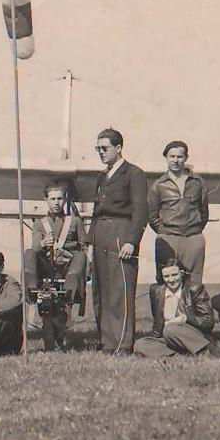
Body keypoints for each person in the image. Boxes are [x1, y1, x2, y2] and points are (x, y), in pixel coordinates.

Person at [90, 128, 148, 354]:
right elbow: (96, 211)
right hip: (100, 233)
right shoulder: (102, 177)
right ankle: (107, 342)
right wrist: (90, 243)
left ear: (119, 148)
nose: (101, 152)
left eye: (104, 148)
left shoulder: (134, 173)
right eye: (98, 148)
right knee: (101, 290)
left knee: (120, 291)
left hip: (121, 233)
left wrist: (131, 241)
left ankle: (123, 343)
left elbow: (140, 211)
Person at [24, 180, 88, 351]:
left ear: (65, 199)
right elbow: (35, 247)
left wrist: (85, 272)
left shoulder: (75, 222)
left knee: (80, 255)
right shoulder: (40, 223)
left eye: (60, 198)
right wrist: (43, 243)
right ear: (46, 200)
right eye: (52, 199)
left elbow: (84, 246)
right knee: (29, 252)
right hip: (47, 267)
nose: (56, 203)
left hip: (68, 268)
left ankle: (69, 292)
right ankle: (31, 288)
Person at [147, 140, 209, 286]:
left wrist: (193, 229)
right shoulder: (159, 185)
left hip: (193, 238)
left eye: (179, 157)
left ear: (186, 158)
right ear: (166, 158)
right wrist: (166, 232)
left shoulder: (197, 182)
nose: (175, 160)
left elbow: (204, 212)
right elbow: (152, 216)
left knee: (194, 284)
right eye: (172, 156)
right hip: (168, 239)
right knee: (166, 282)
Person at [133, 259, 215, 358]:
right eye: (166, 276)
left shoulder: (194, 289)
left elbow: (208, 321)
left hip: (192, 335)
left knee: (171, 329)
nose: (171, 280)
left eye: (175, 275)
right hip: (168, 337)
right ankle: (176, 354)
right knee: (140, 344)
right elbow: (157, 324)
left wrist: (186, 319)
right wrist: (155, 340)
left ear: (182, 274)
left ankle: (204, 350)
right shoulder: (157, 291)